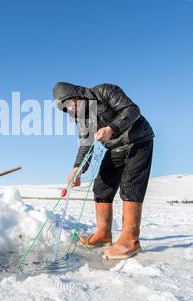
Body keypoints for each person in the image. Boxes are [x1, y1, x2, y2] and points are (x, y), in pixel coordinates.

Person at [53, 82, 154, 260]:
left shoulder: (105, 91)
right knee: (101, 187)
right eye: (65, 108)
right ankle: (103, 234)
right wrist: (77, 169)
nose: (70, 108)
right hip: (115, 148)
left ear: (77, 94)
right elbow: (86, 144)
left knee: (130, 186)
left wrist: (111, 128)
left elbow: (132, 110)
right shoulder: (83, 117)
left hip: (138, 140)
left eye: (70, 103)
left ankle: (130, 241)